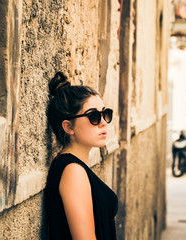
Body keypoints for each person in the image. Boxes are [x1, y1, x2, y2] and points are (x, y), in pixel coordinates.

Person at [45, 72, 118, 240]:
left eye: (105, 113)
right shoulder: (73, 172)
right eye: (93, 116)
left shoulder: (76, 168)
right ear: (68, 127)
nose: (103, 122)